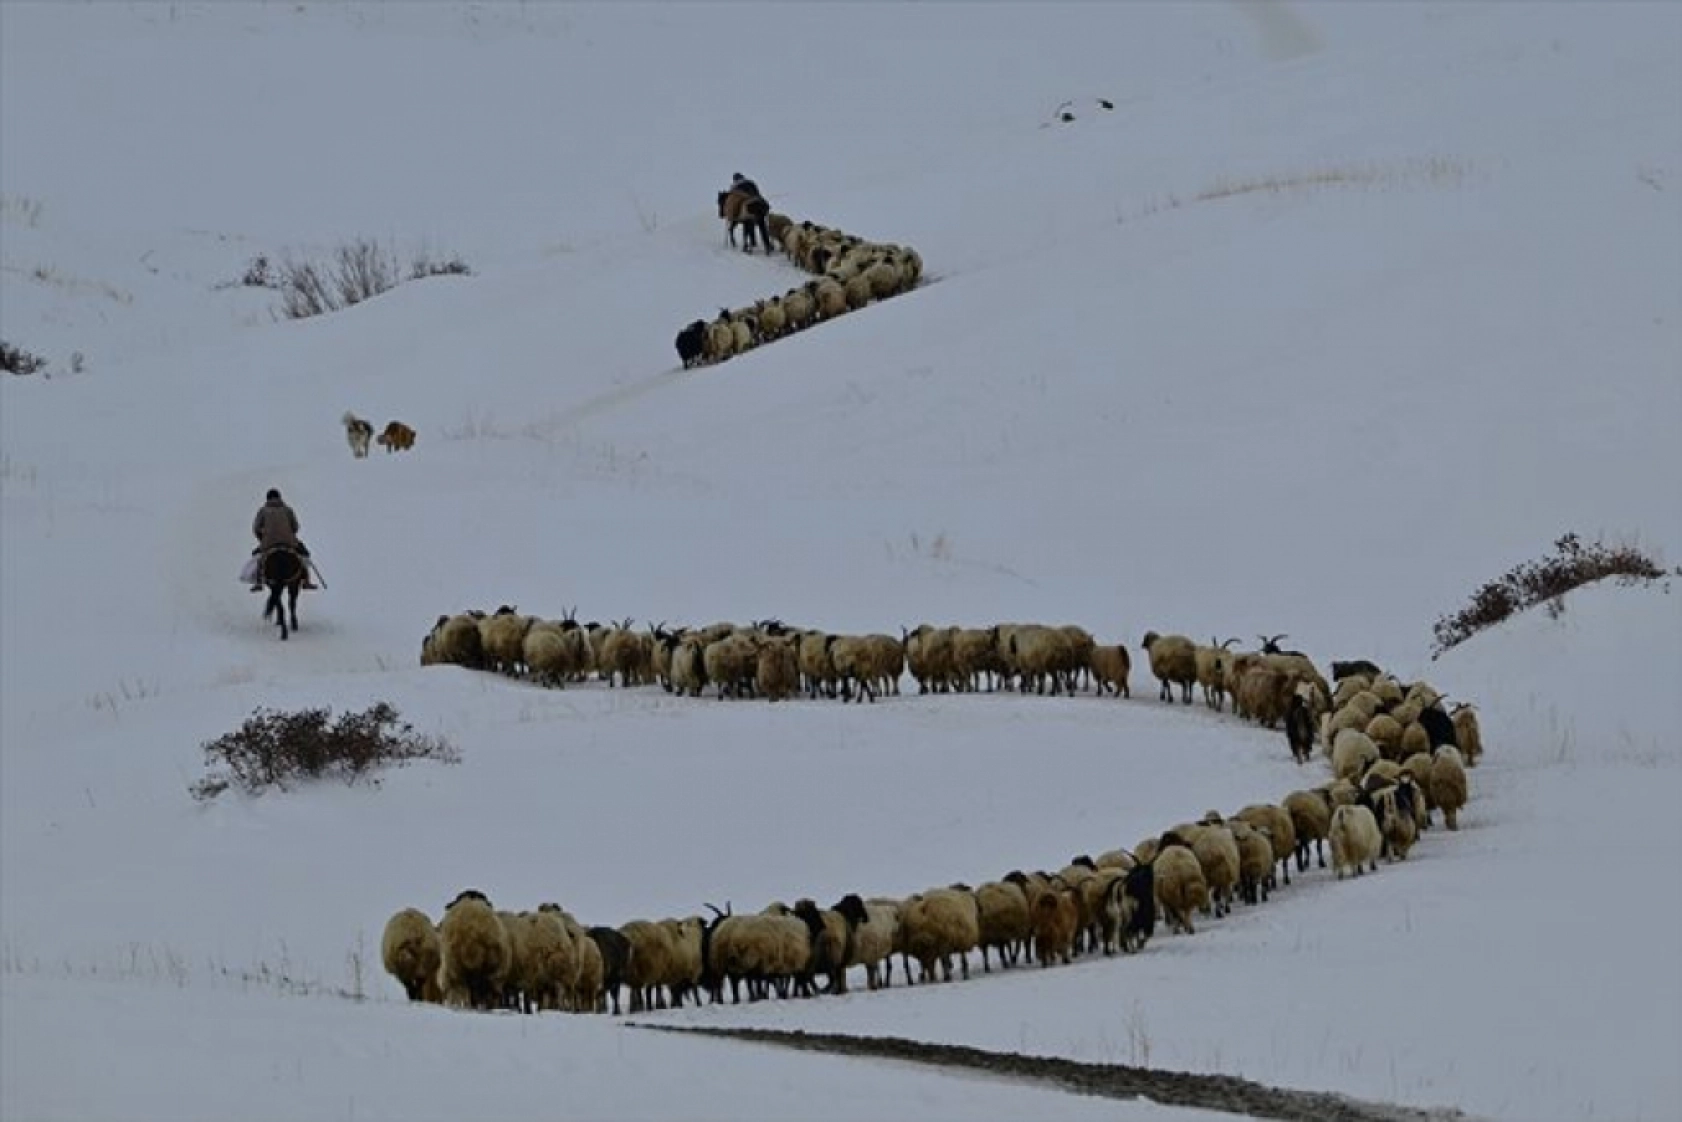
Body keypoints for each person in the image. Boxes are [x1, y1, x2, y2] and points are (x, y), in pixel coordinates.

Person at [250, 488, 314, 590]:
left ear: (267, 499)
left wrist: (262, 539)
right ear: (279, 497)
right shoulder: (288, 509)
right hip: (289, 541)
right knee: (304, 554)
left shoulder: (262, 511)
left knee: (258, 558)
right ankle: (306, 581)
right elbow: (296, 527)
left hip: (268, 542)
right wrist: (289, 534)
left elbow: (256, 528)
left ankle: (259, 582)